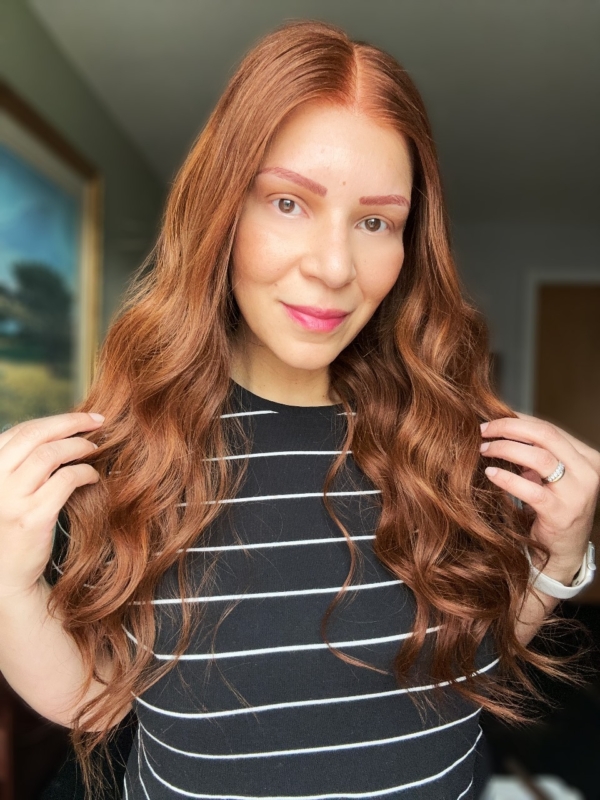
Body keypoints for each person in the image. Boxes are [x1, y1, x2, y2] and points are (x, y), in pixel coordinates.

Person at [0, 18, 598, 800]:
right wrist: (9, 583)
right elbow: (97, 701)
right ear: (222, 212)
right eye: (288, 203)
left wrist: (558, 561)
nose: (335, 266)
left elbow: (469, 661)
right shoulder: (136, 451)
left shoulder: (443, 440)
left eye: (376, 222)